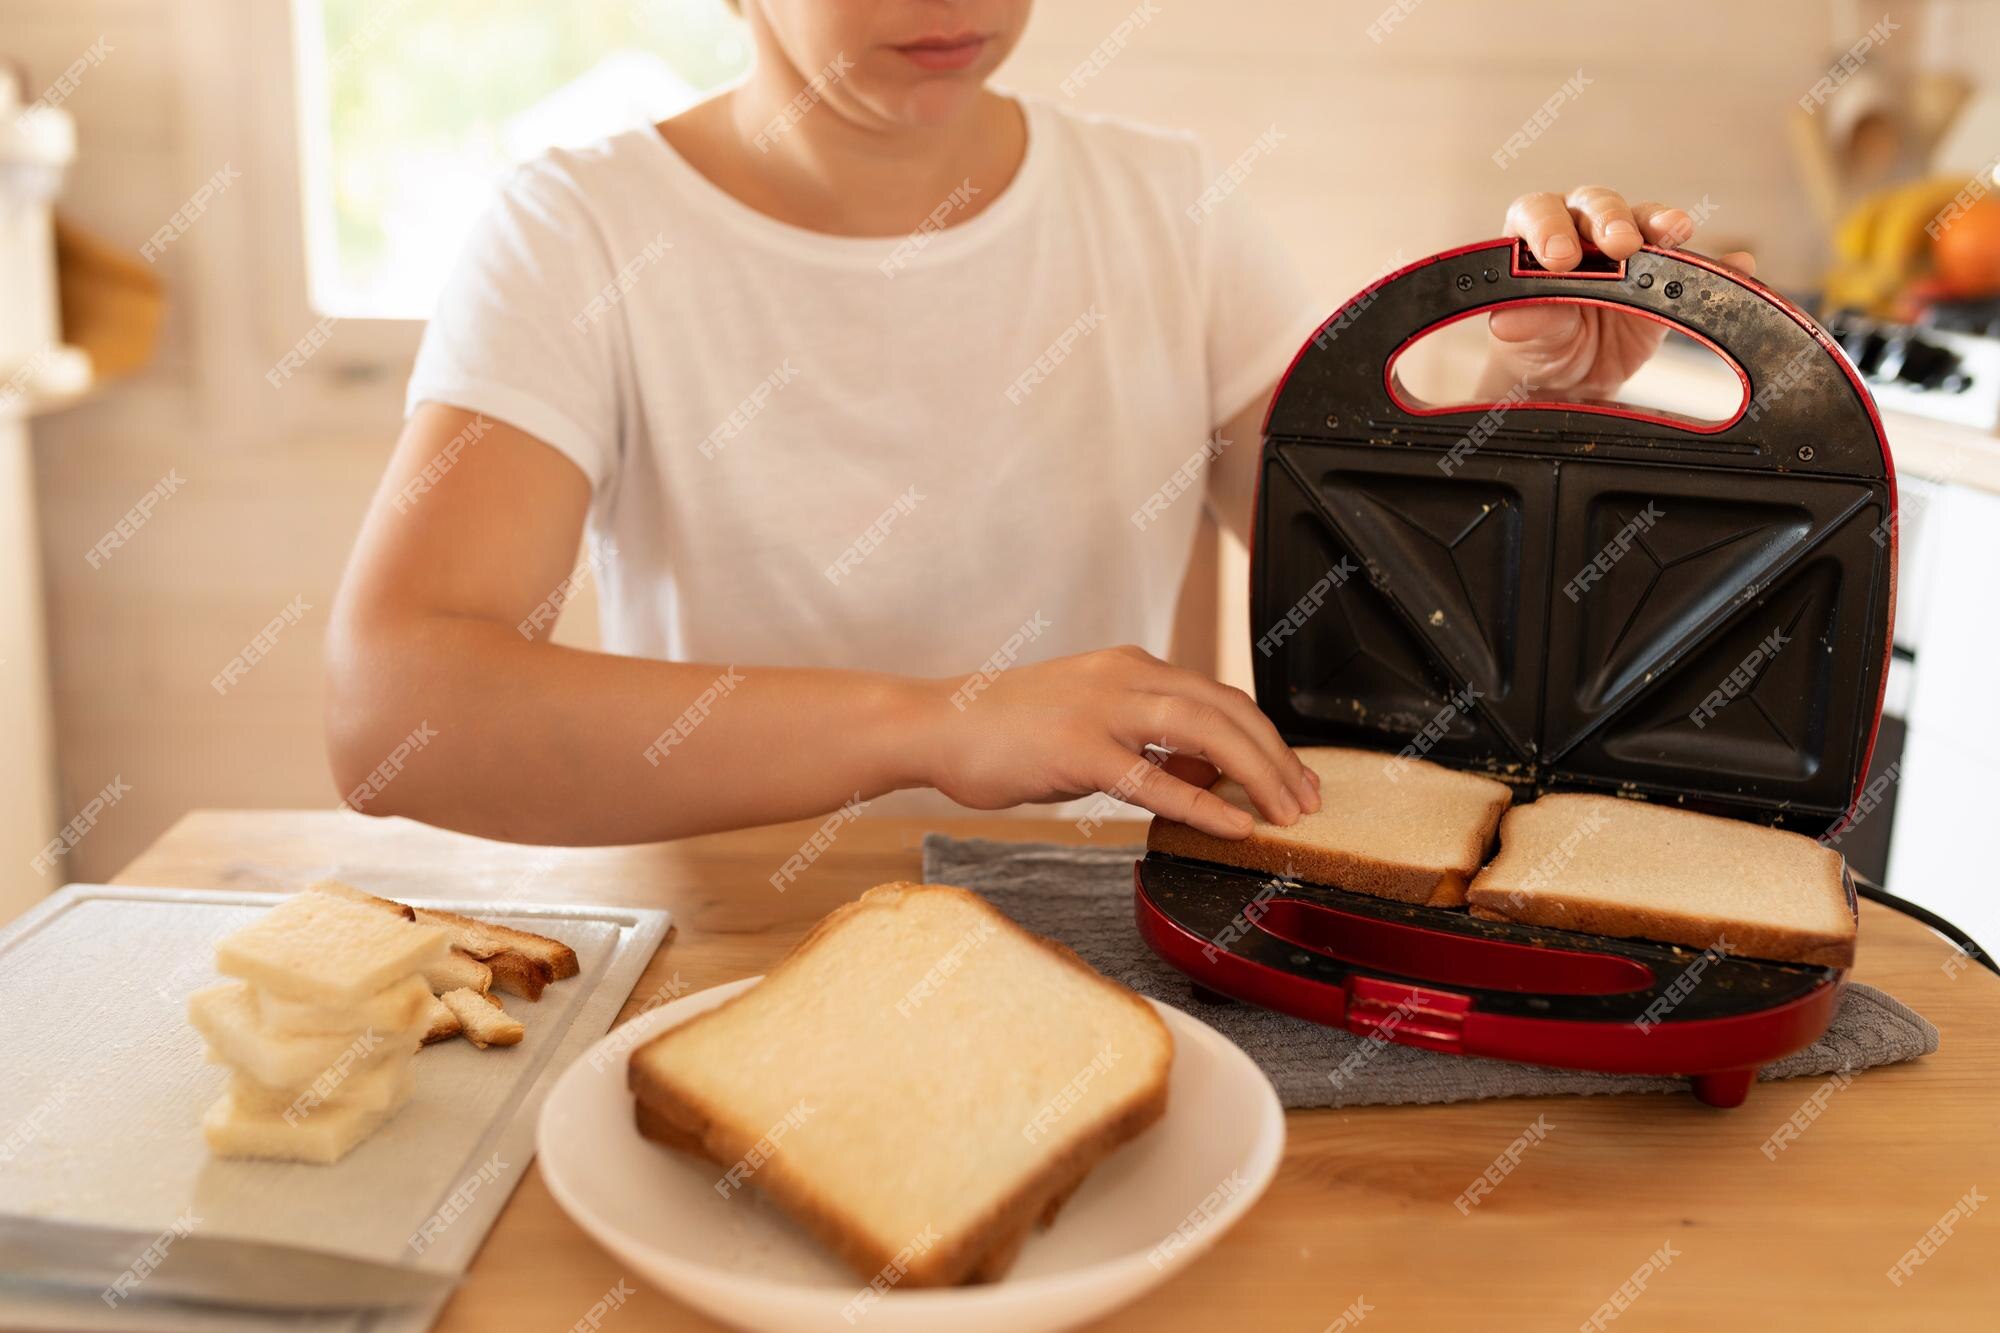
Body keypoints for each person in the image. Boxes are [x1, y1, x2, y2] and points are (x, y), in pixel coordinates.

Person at [325, 0, 1752, 846]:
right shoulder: (578, 229)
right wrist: (938, 725)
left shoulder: (1168, 206)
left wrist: (1545, 400)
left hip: (1099, 929)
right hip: (724, 928)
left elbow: (1402, 595)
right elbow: (395, 709)